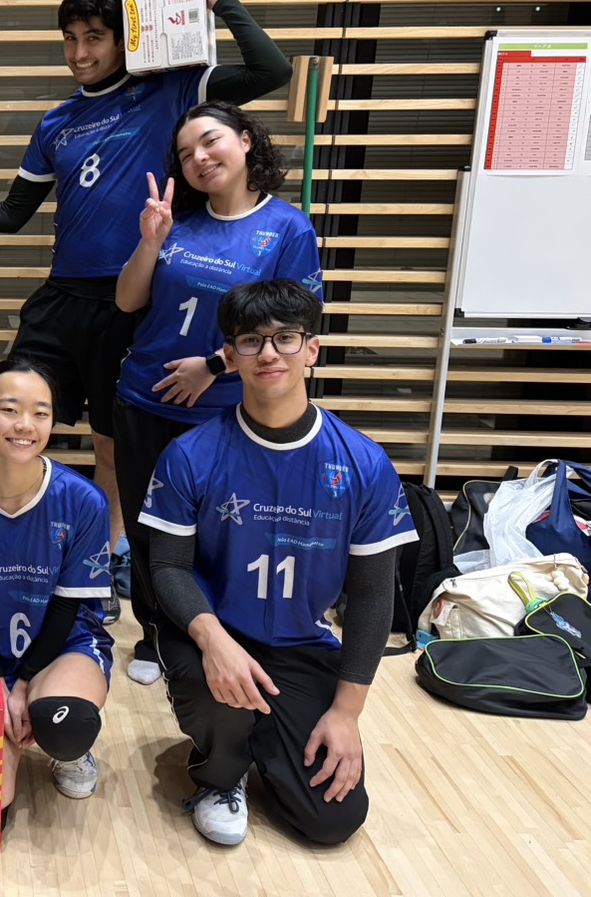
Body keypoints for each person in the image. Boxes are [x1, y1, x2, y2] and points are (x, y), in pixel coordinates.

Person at [0, 0, 292, 557]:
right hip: (60, 299)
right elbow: (13, 213)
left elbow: (271, 71)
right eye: (70, 39)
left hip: (129, 303)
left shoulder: (171, 91)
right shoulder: (57, 122)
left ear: (123, 40)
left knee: (110, 447)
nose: (80, 53)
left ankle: (106, 553)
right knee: (8, 410)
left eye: (94, 37)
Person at [139, 280, 415, 847]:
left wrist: (346, 714)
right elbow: (167, 567)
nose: (268, 353)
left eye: (285, 338)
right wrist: (214, 641)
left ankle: (265, 734)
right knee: (216, 697)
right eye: (251, 340)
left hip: (301, 646)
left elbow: (371, 596)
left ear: (311, 350)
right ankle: (222, 773)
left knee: (332, 821)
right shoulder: (190, 454)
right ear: (231, 355)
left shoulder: (363, 463)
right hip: (212, 635)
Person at [113, 102, 321, 687]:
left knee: (219, 532)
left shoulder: (288, 228)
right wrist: (151, 241)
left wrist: (212, 366)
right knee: (151, 530)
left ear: (246, 141)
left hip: (226, 410)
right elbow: (128, 301)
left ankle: (217, 638)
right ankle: (155, 635)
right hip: (144, 400)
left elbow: (295, 324)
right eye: (186, 154)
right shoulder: (178, 221)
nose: (199, 158)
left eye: (210, 141)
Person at [0, 358, 114, 810]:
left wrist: (23, 684)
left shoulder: (83, 500)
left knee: (63, 724)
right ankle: (12, 733)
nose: (25, 425)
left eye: (40, 413)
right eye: (10, 409)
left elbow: (67, 608)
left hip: (66, 647)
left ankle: (68, 747)